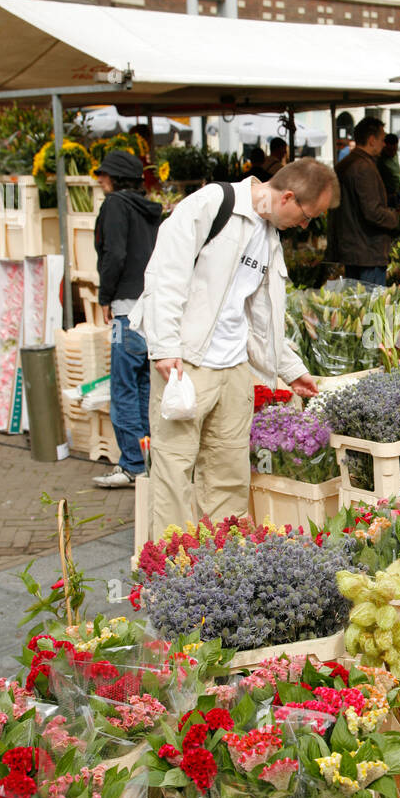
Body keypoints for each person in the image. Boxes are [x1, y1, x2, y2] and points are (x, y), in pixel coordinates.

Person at [129, 158, 338, 539]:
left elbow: (261, 316)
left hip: (234, 368)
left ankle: (224, 568)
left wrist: (290, 369)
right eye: (309, 215)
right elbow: (165, 273)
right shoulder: (213, 204)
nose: (306, 226)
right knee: (174, 471)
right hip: (185, 365)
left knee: (228, 474)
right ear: (288, 196)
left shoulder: (269, 234)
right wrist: (163, 347)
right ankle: (173, 570)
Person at [91, 149, 163, 489]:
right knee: (146, 386)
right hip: (152, 307)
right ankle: (149, 459)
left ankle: (133, 464)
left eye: (103, 175)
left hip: (126, 309)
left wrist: (105, 296)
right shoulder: (150, 211)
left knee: (124, 387)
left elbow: (114, 254)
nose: (100, 180)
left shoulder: (115, 205)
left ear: (115, 178)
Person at [326, 116, 399, 286]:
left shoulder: (346, 163)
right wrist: (395, 217)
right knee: (369, 308)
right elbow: (373, 212)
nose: (384, 144)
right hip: (367, 251)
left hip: (353, 249)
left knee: (358, 305)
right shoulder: (363, 167)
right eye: (381, 140)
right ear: (372, 140)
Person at [378, 132, 400, 208]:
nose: (393, 153)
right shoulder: (379, 159)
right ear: (385, 147)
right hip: (387, 196)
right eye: (390, 150)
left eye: (395, 150)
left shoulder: (396, 156)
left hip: (397, 193)